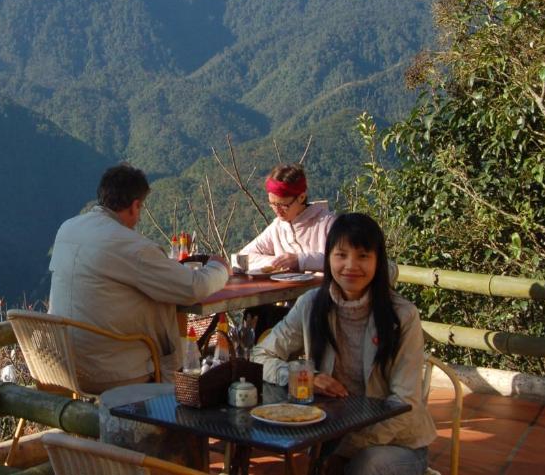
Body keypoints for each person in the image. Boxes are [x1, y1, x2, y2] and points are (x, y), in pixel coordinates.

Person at [251, 213, 436, 475]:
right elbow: (261, 355)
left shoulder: (402, 316)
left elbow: (404, 403)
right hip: (329, 435)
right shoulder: (311, 305)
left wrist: (344, 451)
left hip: (397, 442)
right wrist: (306, 376)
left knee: (364, 468)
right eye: (341, 255)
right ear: (328, 259)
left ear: (378, 262)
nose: (351, 265)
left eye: (363, 256)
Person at [48, 163, 230, 394]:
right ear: (135, 206)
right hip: (111, 371)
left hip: (62, 364)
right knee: (186, 363)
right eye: (141, 207)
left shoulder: (68, 228)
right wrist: (219, 266)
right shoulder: (133, 247)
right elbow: (195, 287)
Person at [238, 163, 335, 274]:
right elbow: (243, 256)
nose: (277, 210)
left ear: (301, 197)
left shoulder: (328, 223)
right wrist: (278, 262)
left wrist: (300, 260)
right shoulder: (277, 227)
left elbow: (341, 260)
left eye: (283, 205)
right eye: (272, 204)